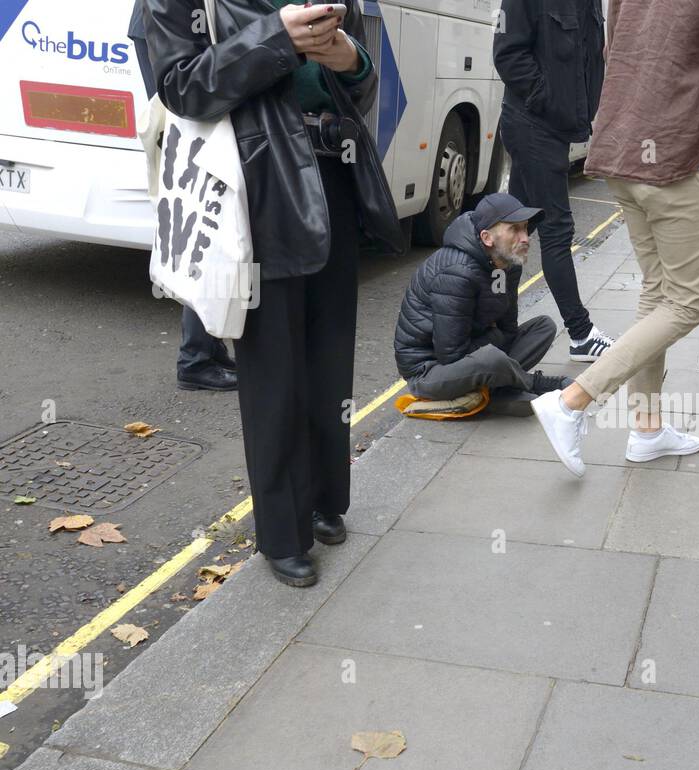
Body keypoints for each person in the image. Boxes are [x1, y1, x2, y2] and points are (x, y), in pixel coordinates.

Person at [144, 1, 406, 587]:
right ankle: (282, 531)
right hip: (256, 191)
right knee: (274, 370)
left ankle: (323, 501)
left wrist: (352, 61)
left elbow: (361, 88)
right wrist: (276, 38)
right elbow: (180, 87)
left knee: (330, 358)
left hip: (334, 178)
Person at [530, 0, 699, 477]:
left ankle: (647, 428)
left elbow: (613, 46)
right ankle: (572, 401)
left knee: (658, 293)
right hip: (679, 157)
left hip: (624, 146)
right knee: (685, 305)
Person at [493, 0, 616, 364]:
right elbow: (507, 53)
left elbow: (591, 57)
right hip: (532, 123)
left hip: (557, 126)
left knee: (515, 229)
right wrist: (545, 98)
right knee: (557, 229)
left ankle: (501, 329)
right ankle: (580, 334)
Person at [128, 1, 237, 393]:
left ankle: (207, 345)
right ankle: (196, 357)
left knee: (206, 193)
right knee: (209, 196)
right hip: (179, 32)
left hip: (168, 30)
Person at [394, 194, 572, 416]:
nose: (525, 238)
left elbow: (508, 329)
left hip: (472, 349)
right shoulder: (456, 273)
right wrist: (494, 345)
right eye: (514, 230)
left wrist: (495, 343)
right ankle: (530, 384)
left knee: (543, 327)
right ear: (487, 237)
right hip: (430, 371)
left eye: (525, 229)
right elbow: (450, 355)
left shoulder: (509, 265)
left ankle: (492, 389)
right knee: (492, 359)